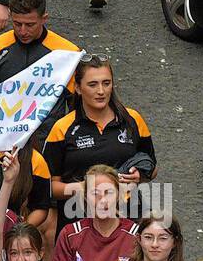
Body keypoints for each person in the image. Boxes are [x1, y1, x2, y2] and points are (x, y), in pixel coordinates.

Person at [43, 56, 156, 239]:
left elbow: (153, 167)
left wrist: (140, 175)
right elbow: (47, 187)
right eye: (93, 84)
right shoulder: (62, 129)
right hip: (79, 223)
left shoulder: (133, 120)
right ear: (78, 88)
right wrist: (85, 188)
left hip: (129, 219)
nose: (101, 91)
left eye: (106, 83)